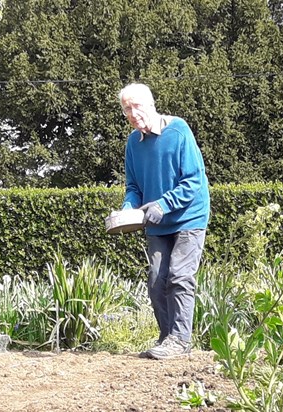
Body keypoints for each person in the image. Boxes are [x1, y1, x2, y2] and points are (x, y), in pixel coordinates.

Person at [118, 83, 210, 360]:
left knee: (180, 276)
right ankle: (167, 338)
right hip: (156, 222)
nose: (133, 114)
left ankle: (180, 340)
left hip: (188, 217)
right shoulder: (133, 143)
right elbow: (134, 186)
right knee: (157, 279)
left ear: (150, 104)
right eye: (126, 109)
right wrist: (127, 209)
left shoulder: (178, 130)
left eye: (136, 106)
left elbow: (194, 179)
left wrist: (164, 204)